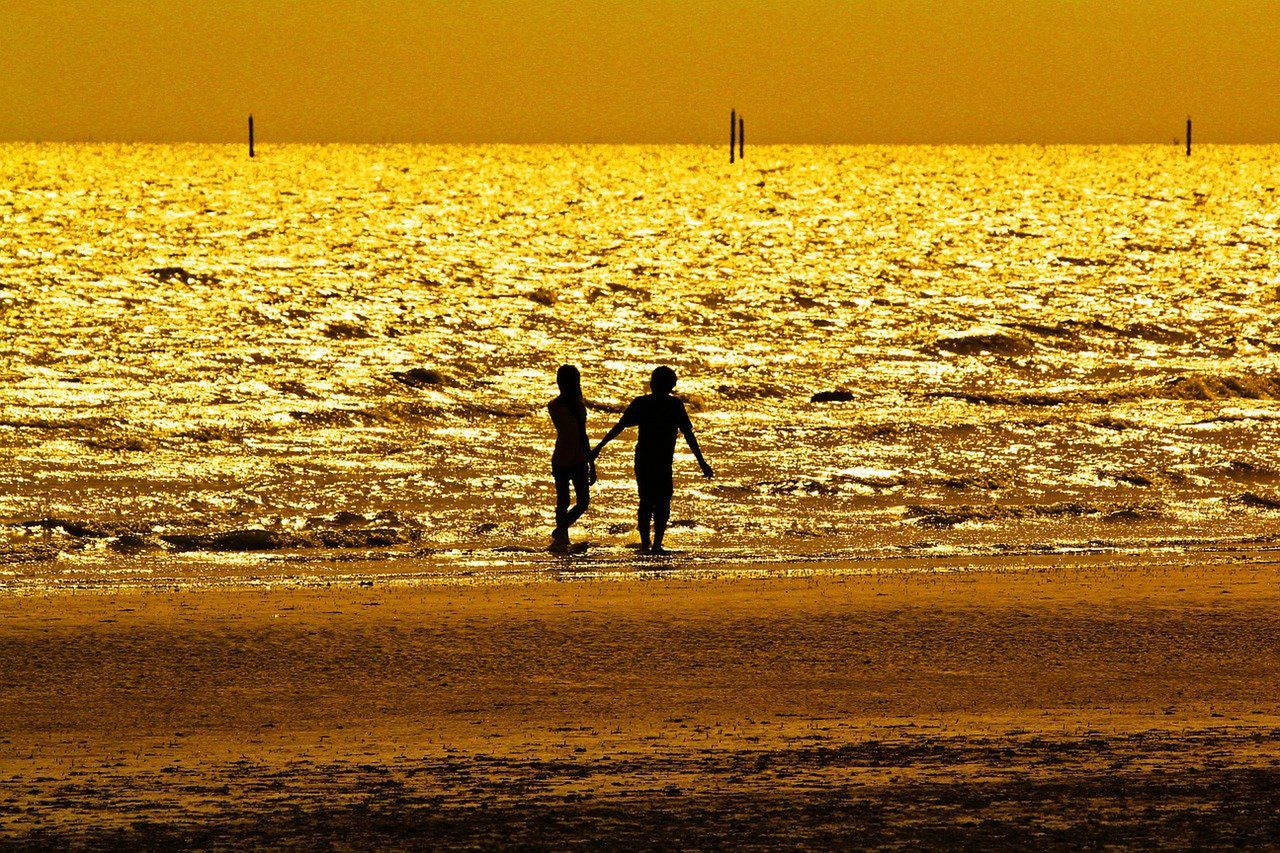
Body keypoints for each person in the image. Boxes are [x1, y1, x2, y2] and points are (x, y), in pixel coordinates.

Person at [590, 366, 713, 554]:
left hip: (644, 459)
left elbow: (620, 427)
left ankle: (646, 543)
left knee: (646, 501)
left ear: (652, 384)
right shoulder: (674, 405)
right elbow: (688, 434)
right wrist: (701, 462)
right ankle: (656, 545)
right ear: (672, 385)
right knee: (662, 501)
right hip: (662, 461)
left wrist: (599, 447)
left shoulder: (642, 403)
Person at [548, 364, 596, 551]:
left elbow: (582, 435)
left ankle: (561, 529)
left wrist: (591, 463)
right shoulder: (558, 406)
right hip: (565, 458)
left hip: (576, 458)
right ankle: (562, 536)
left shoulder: (573, 406)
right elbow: (576, 433)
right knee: (565, 501)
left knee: (581, 502)